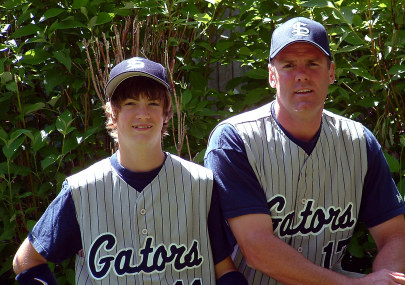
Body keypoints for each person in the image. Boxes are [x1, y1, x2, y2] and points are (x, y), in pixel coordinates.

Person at [204, 17, 405, 285]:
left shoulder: (359, 142)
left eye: (313, 63)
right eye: (288, 65)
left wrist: (386, 278)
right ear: (271, 76)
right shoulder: (235, 139)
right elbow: (257, 249)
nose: (301, 74)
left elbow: (393, 237)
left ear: (331, 72)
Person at [13, 57, 247, 285]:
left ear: (166, 112)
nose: (142, 113)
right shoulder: (82, 190)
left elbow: (224, 268)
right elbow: (26, 260)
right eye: (130, 103)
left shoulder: (201, 184)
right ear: (112, 112)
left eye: (153, 103)